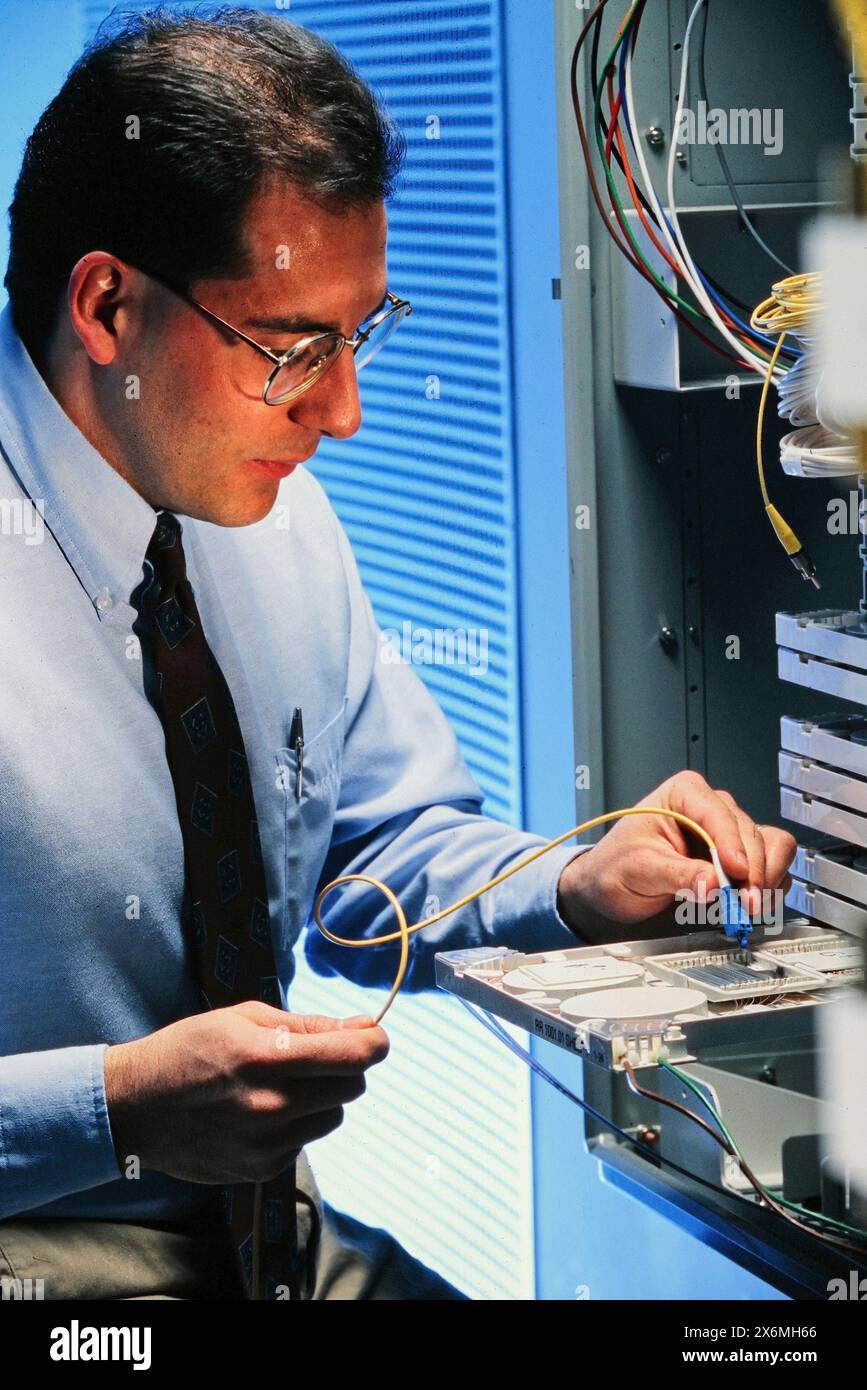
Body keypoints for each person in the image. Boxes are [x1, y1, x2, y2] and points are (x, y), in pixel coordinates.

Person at [0, 7, 795, 1301]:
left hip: (268, 1241)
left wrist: (581, 882)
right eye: (293, 347)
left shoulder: (266, 507)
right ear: (106, 304)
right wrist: (116, 1107)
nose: (345, 413)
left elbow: (371, 863)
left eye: (359, 334)